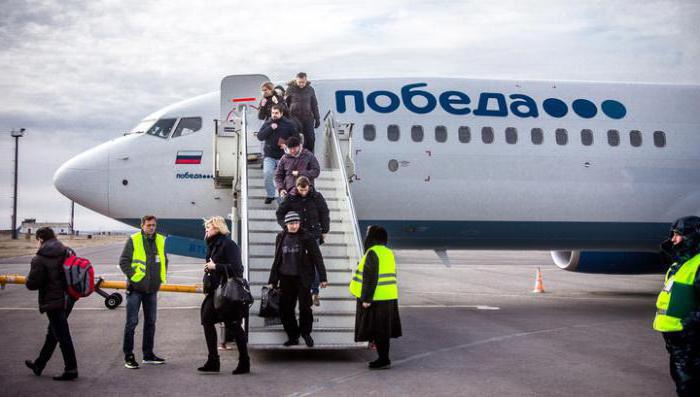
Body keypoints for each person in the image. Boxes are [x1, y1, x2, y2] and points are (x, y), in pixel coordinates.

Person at [654, 216, 700, 396]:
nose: (672, 239)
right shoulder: (680, 264)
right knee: (681, 379)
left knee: (688, 384)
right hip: (675, 336)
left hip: (689, 336)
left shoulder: (697, 265)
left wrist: (691, 323)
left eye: (678, 234)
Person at [24, 227, 78, 381]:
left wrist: (28, 279)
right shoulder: (67, 250)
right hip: (69, 298)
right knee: (53, 333)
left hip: (53, 301)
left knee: (62, 335)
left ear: (40, 239)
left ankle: (71, 369)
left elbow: (32, 284)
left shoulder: (39, 258)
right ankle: (39, 364)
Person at [198, 216, 249, 374]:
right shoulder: (212, 244)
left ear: (218, 229)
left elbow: (237, 269)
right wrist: (209, 269)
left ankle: (244, 362)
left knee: (233, 326)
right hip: (215, 291)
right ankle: (213, 360)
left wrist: (216, 266)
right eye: (206, 227)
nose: (206, 229)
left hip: (228, 293)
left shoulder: (228, 244)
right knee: (206, 320)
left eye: (209, 227)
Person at [267, 212, 327, 347]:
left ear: (299, 223)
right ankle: (293, 336)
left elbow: (317, 257)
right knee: (285, 309)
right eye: (291, 224)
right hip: (285, 278)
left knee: (305, 308)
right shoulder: (281, 237)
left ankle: (306, 333)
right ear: (286, 224)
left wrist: (323, 277)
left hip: (303, 278)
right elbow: (277, 258)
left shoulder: (307, 237)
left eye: (296, 223)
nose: (294, 226)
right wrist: (273, 279)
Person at [119, 215, 168, 369]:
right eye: (148, 225)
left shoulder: (160, 240)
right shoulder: (134, 240)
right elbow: (123, 261)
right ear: (142, 226)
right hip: (135, 290)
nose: (151, 227)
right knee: (132, 323)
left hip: (151, 290)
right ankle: (129, 356)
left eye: (153, 225)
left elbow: (164, 260)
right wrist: (134, 279)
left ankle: (148, 354)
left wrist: (158, 280)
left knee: (151, 322)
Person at [350, 225, 402, 369]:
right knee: (383, 331)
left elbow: (369, 277)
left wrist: (366, 299)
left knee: (377, 330)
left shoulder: (372, 253)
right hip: (390, 297)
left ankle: (383, 360)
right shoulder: (388, 252)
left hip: (376, 298)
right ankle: (383, 357)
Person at [276, 176, 330, 306]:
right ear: (297, 187)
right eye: (301, 190)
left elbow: (324, 213)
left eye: (305, 190)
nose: (304, 192)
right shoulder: (290, 198)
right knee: (300, 262)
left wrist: (325, 230)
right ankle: (303, 289)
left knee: (314, 261)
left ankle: (314, 292)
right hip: (298, 235)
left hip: (313, 233)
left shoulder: (317, 197)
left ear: (309, 186)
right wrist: (287, 226)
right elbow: (280, 213)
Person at [257, 104, 298, 204]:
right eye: (272, 113)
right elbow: (260, 137)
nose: (274, 115)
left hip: (283, 156)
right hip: (269, 155)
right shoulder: (268, 123)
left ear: (281, 113)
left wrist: (287, 144)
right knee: (267, 173)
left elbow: (296, 138)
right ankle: (271, 195)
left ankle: (282, 196)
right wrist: (271, 128)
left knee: (284, 177)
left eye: (276, 113)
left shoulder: (289, 124)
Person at [285, 72, 320, 152]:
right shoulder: (290, 89)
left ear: (306, 80)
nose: (301, 84)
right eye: (299, 82)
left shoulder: (310, 89)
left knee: (311, 139)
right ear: (296, 81)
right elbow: (285, 105)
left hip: (308, 118)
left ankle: (310, 157)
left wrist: (317, 118)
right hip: (295, 118)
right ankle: (297, 157)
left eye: (303, 82)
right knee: (297, 139)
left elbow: (314, 104)